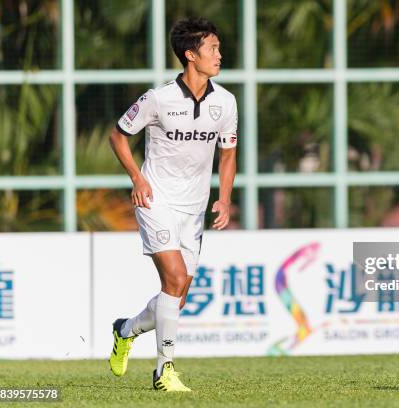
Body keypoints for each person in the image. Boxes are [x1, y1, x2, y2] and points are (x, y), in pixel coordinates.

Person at [107, 16, 237, 392]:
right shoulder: (158, 98)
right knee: (175, 280)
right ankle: (164, 371)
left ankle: (126, 330)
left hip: (194, 209)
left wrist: (224, 199)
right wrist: (137, 177)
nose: (219, 54)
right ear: (190, 55)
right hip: (156, 200)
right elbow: (118, 136)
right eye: (212, 49)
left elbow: (228, 154)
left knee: (175, 300)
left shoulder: (226, 102)